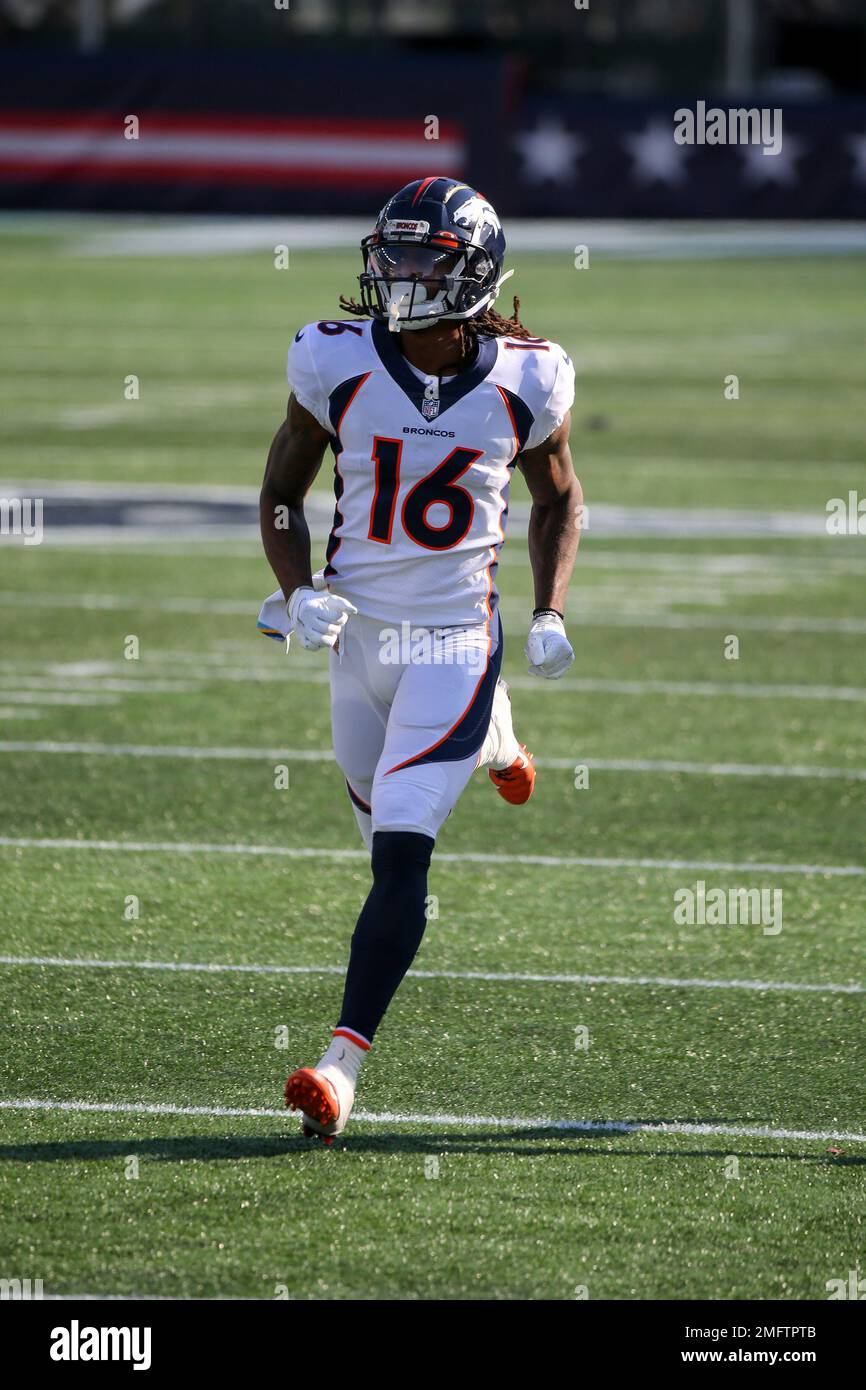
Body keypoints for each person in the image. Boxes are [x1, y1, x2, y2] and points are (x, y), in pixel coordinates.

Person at [259, 176, 582, 1142]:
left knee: (402, 858)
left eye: (423, 262)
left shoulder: (530, 376)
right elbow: (281, 489)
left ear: (474, 276)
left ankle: (340, 1066)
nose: (398, 279)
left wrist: (548, 608)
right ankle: (495, 739)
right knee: (374, 833)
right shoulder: (333, 357)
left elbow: (558, 497)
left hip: (452, 640)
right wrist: (295, 590)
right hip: (357, 637)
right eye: (391, 257)